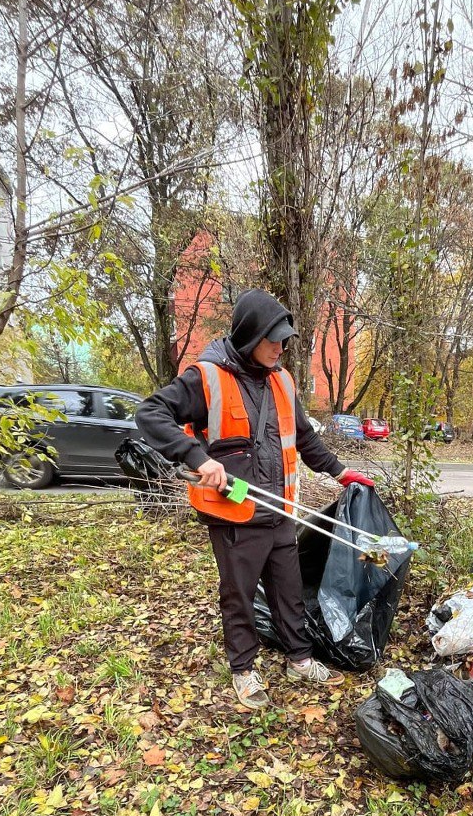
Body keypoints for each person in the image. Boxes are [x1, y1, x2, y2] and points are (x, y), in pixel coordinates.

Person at [135, 289, 374, 709]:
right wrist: (197, 457)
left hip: (278, 509)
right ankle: (243, 670)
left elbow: (304, 437)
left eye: (285, 341)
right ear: (250, 336)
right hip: (234, 513)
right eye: (273, 340)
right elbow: (150, 413)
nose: (281, 349)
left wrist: (339, 471)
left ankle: (299, 659)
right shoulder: (206, 377)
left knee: (289, 590)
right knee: (239, 596)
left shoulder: (282, 379)